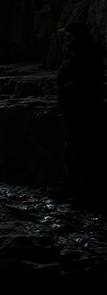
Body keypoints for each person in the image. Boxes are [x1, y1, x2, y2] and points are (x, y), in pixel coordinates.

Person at [56, 21, 107, 207]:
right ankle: (72, 188)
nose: (66, 40)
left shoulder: (87, 55)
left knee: (83, 152)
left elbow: (87, 84)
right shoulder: (78, 52)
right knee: (72, 151)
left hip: (83, 110)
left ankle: (83, 194)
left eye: (69, 36)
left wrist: (69, 91)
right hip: (74, 109)